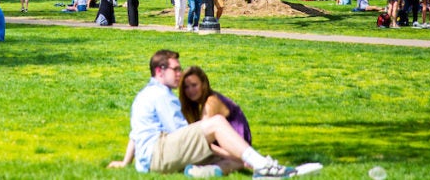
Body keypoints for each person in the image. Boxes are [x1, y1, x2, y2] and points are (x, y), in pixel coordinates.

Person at [121, 49, 320, 178]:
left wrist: (125, 162)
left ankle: (206, 172)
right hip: (159, 155)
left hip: (151, 160)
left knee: (235, 159)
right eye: (176, 69)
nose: (179, 74)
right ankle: (265, 166)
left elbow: (134, 134)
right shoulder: (161, 95)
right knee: (215, 123)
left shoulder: (146, 94)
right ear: (159, 71)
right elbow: (185, 134)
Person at [110, 65, 252, 173]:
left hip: (234, 146)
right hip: (223, 148)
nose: (190, 90)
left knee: (235, 161)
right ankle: (209, 171)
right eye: (186, 87)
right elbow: (139, 132)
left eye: (194, 85)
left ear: (204, 84)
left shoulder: (211, 102)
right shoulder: (191, 105)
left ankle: (238, 163)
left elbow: (204, 141)